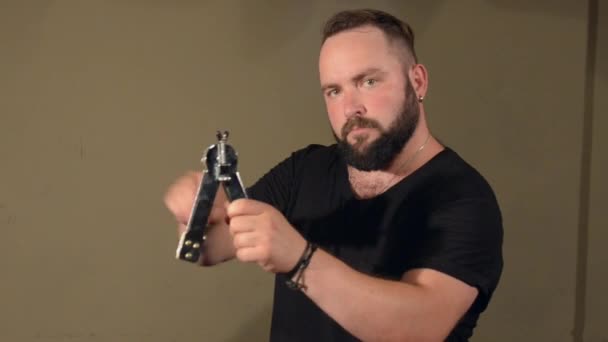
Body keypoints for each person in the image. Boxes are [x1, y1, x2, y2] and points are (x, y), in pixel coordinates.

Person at [164, 8, 503, 342]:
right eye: (334, 91)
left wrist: (300, 260)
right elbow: (213, 246)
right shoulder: (305, 170)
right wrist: (198, 211)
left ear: (417, 81)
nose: (350, 108)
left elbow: (417, 330)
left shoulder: (464, 198)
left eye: (368, 81)